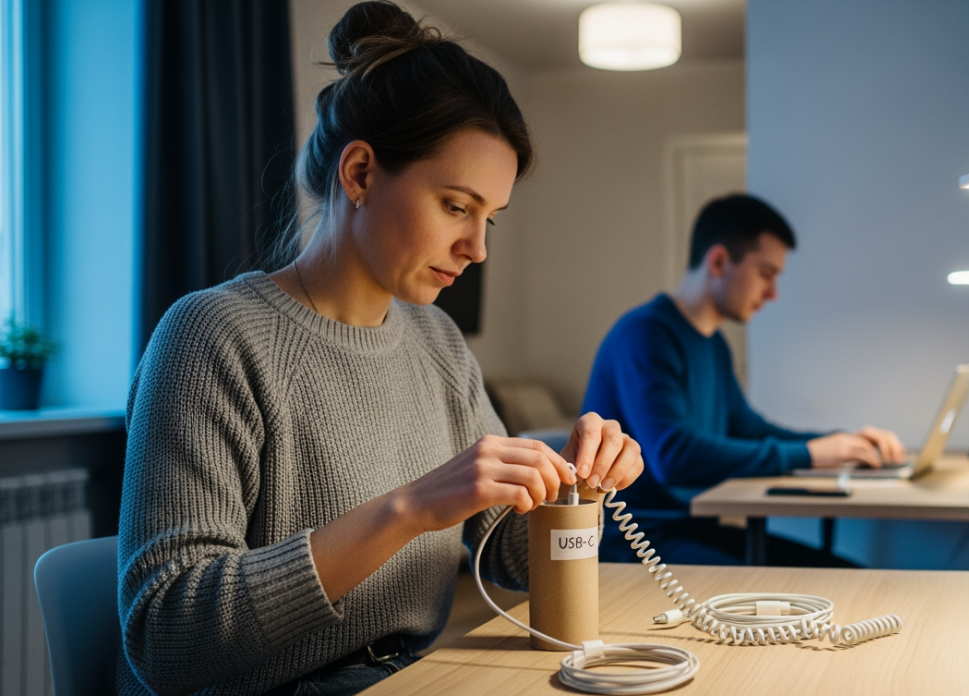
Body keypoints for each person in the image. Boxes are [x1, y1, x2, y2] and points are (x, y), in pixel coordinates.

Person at [116, 4, 644, 695]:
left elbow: (512, 559)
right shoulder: (212, 336)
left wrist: (579, 483)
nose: (478, 248)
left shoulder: (437, 343)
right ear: (360, 173)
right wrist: (410, 509)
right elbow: (166, 637)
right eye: (456, 206)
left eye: (490, 218)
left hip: (414, 677)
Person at [582, 194, 903, 566]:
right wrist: (813, 454)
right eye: (766, 274)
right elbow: (674, 455)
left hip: (694, 528)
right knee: (823, 585)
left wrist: (841, 444)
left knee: (847, 573)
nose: (773, 293)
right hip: (638, 542)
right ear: (719, 261)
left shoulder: (713, 343)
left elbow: (747, 428)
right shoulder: (645, 335)